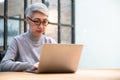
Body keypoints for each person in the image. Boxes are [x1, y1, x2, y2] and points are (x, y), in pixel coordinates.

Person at [0, 2, 56, 72]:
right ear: (27, 20)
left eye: (44, 22)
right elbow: (3, 65)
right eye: (36, 21)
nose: (41, 26)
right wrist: (30, 65)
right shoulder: (17, 41)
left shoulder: (51, 42)